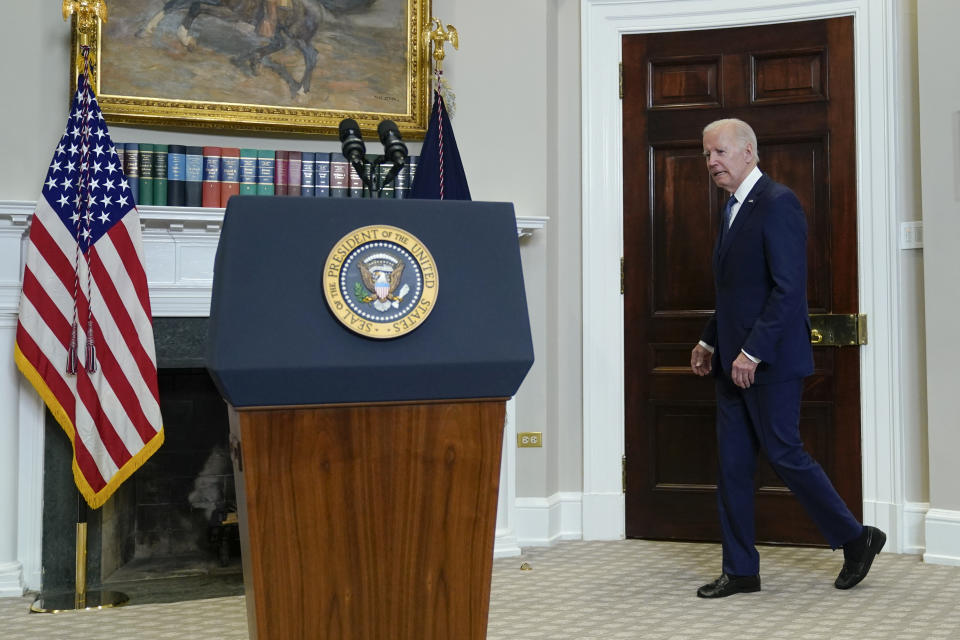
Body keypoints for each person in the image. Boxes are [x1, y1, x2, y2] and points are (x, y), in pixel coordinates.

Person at [690, 118, 885, 598]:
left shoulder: (779, 204)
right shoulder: (730, 209)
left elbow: (787, 291)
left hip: (769, 362)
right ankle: (741, 570)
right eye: (706, 155)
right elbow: (734, 293)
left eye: (719, 152)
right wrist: (710, 340)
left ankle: (856, 538)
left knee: (784, 454)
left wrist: (753, 351)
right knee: (732, 466)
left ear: (750, 153)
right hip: (730, 363)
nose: (711, 162)